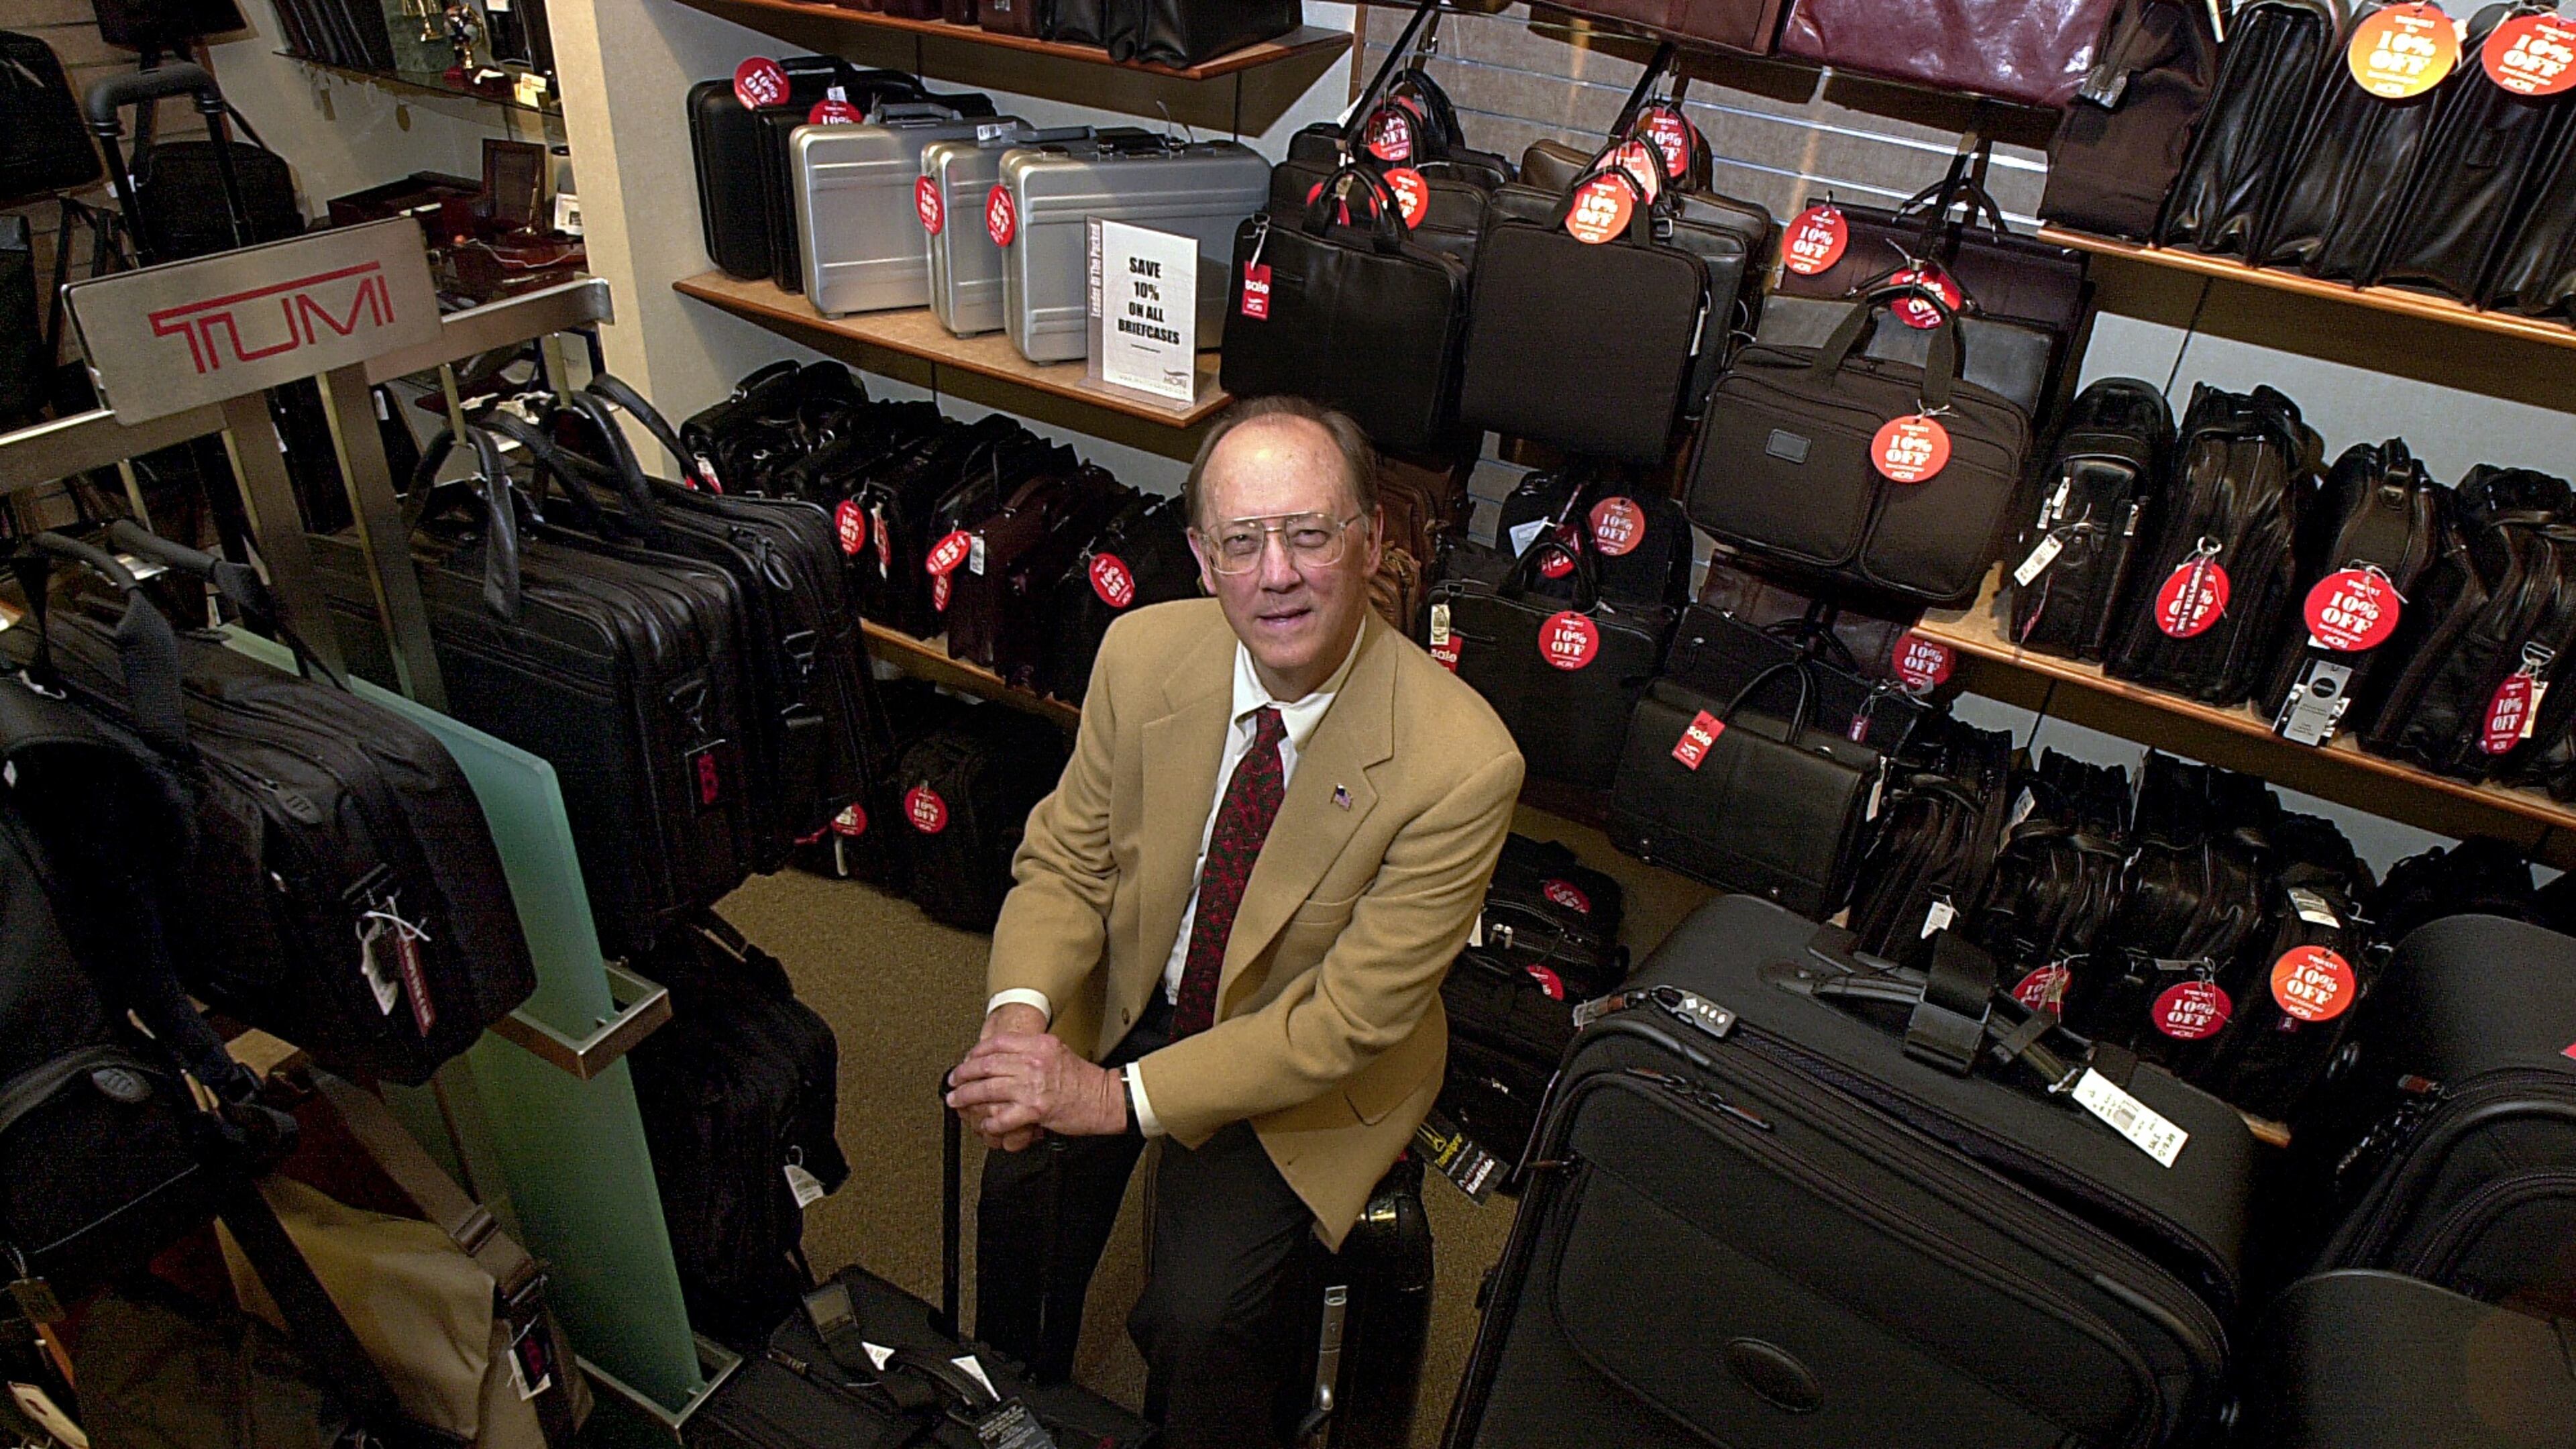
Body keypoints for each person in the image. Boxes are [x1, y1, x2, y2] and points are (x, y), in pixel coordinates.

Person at [943, 396, 1523, 1444]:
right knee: (1019, 1183)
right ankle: (1011, 1404)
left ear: (1371, 542)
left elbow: (1343, 1022)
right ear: (1204, 560)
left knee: (1204, 1315)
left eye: (1310, 533)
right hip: (1140, 992)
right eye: (1244, 542)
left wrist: (1115, 1099)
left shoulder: (1462, 763)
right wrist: (1021, 1019)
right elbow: (1068, 859)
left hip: (1298, 1059)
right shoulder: (1141, 654)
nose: (1279, 573)